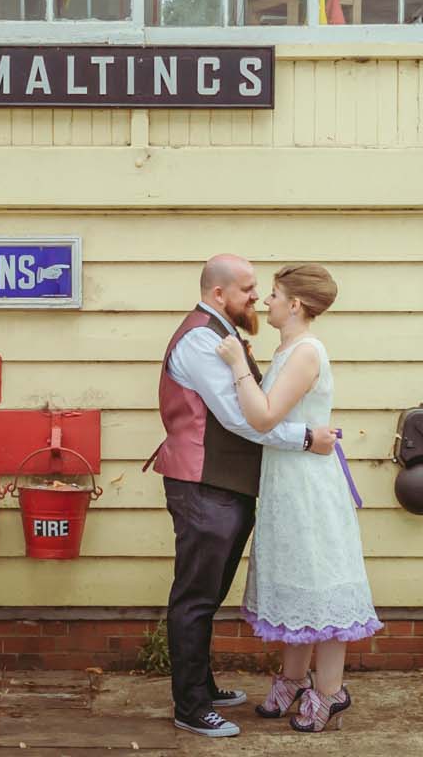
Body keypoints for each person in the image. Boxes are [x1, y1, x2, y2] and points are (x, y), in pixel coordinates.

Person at [150, 254, 338, 739]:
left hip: (225, 486)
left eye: (261, 289)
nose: (256, 296)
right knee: (195, 596)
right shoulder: (200, 338)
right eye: (248, 289)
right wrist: (304, 439)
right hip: (202, 485)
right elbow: (240, 417)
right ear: (219, 295)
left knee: (207, 594)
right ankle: (190, 707)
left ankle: (203, 687)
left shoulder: (223, 336)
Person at [219, 263, 382, 733]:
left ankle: (329, 692)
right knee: (296, 584)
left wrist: (235, 366)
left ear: (295, 305)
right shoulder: (286, 348)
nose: (264, 302)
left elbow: (265, 418)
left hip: (310, 487)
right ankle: (292, 679)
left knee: (320, 583)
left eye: (273, 294)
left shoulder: (307, 352)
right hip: (286, 483)